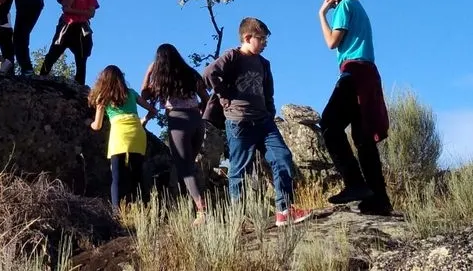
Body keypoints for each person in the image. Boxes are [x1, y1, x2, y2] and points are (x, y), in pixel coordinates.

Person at [204, 18, 310, 227]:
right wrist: (225, 97)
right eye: (261, 39)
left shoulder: (263, 64)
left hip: (263, 121)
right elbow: (209, 74)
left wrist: (270, 112)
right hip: (239, 123)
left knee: (282, 157)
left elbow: (268, 91)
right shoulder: (232, 57)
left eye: (265, 40)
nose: (264, 44)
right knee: (239, 170)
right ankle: (238, 218)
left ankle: (285, 210)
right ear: (247, 37)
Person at [318, 0, 392, 215]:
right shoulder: (358, 7)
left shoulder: (345, 7)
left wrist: (322, 14)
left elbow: (331, 43)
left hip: (354, 72)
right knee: (363, 138)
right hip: (369, 74)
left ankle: (354, 183)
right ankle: (378, 200)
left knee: (328, 124)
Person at [140, 43, 210, 225]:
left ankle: (202, 211)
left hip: (178, 122)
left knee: (185, 167)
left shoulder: (162, 78)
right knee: (187, 166)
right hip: (196, 121)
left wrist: (148, 72)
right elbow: (206, 98)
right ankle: (188, 206)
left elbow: (145, 95)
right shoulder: (191, 74)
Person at [88, 65, 155, 212]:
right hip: (137, 134)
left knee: (117, 177)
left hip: (119, 136)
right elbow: (152, 110)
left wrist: (90, 124)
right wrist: (143, 120)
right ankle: (144, 207)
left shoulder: (102, 98)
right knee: (137, 173)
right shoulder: (131, 93)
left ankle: (116, 212)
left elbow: (98, 126)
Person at [38, 0, 98, 85]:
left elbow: (91, 13)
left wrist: (75, 11)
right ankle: (42, 75)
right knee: (55, 50)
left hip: (82, 28)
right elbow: (66, 8)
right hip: (67, 25)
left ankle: (79, 84)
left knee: (82, 56)